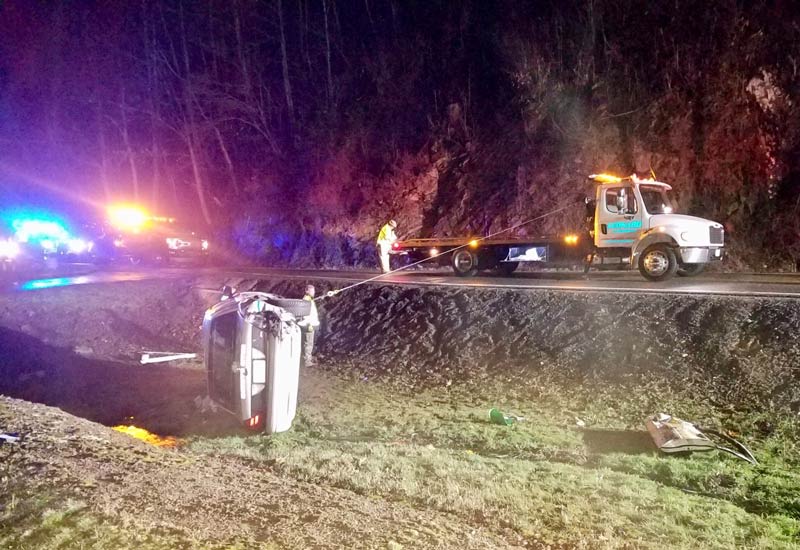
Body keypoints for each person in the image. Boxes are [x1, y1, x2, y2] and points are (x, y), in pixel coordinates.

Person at [297, 284, 320, 367]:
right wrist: (309, 324)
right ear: (307, 291)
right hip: (308, 325)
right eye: (312, 291)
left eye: (313, 291)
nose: (314, 292)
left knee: (307, 343)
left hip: (308, 324)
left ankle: (307, 358)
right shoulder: (306, 300)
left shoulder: (309, 299)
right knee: (308, 343)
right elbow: (306, 314)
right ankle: (307, 361)